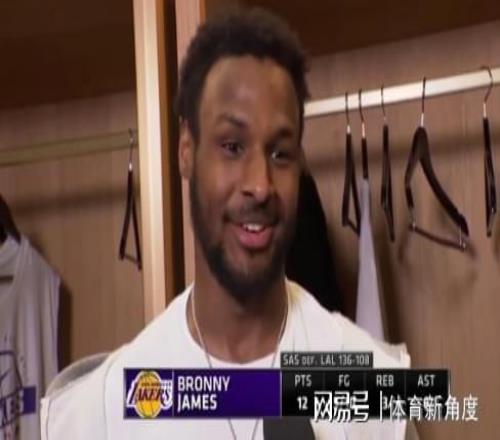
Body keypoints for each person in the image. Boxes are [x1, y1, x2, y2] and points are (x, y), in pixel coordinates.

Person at [41, 8, 410, 440]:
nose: (260, 185)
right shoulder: (96, 414)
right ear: (186, 149)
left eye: (280, 153)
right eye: (232, 146)